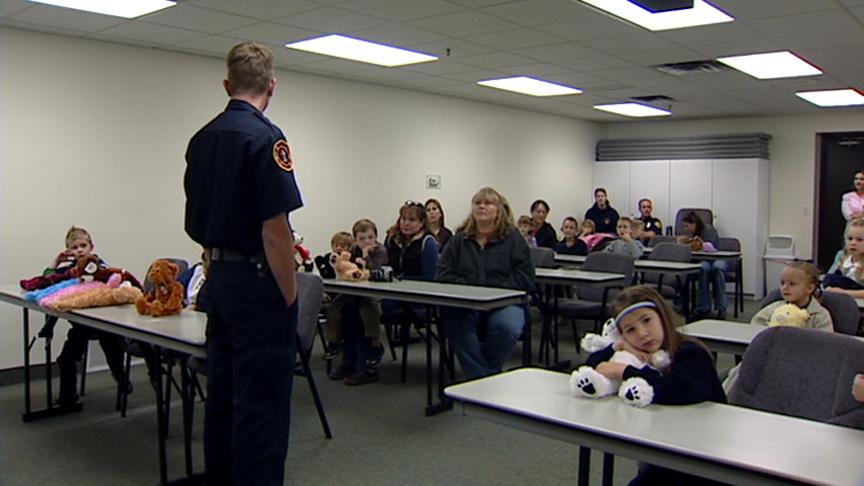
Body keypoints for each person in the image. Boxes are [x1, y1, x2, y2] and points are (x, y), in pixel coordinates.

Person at [184, 41, 302, 486]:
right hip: (256, 283)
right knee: (262, 403)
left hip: (219, 279)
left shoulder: (202, 138)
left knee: (223, 393)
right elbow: (275, 231)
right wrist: (289, 298)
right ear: (272, 85)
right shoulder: (267, 138)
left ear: (227, 85)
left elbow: (201, 221)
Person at [583, 286, 726, 486]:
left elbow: (675, 389)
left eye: (647, 320)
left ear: (662, 316)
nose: (642, 334)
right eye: (630, 330)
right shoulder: (638, 353)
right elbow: (591, 367)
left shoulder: (691, 352)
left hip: (705, 456)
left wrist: (625, 371)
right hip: (669, 449)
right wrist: (617, 346)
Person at [438, 187, 535, 379]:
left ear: (499, 210)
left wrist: (495, 289)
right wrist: (470, 287)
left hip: (505, 303)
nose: (481, 206)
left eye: (488, 203)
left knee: (507, 327)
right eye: (477, 203)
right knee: (456, 325)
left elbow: (525, 277)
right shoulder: (459, 240)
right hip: (466, 303)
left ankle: (479, 377)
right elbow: (443, 274)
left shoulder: (513, 239)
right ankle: (485, 378)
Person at [55, 226, 130, 407]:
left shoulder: (98, 266)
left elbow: (112, 281)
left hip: (102, 321)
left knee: (111, 348)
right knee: (65, 359)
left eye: (83, 246)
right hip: (81, 324)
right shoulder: (68, 269)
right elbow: (48, 281)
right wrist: (55, 263)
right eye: (74, 247)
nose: (79, 250)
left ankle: (122, 380)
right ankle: (68, 397)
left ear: (91, 247)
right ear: (68, 251)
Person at [327, 218, 389, 385]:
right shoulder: (353, 250)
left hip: (373, 296)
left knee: (362, 318)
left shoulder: (380, 250)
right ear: (355, 240)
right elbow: (346, 268)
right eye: (361, 238)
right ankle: (347, 360)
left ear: (376, 237)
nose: (366, 241)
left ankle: (365, 366)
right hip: (353, 295)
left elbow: (376, 272)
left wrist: (366, 257)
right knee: (345, 314)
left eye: (370, 237)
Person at [751, 262, 833, 331]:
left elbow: (826, 340)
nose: (784, 287)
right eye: (782, 283)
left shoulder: (820, 315)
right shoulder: (775, 307)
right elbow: (755, 324)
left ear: (809, 288)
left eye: (792, 284)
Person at [682, 212, 728, 320]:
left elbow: (709, 247)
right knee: (703, 268)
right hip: (704, 260)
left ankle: (721, 308)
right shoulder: (693, 234)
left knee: (718, 268)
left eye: (687, 226)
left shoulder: (708, 230)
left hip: (717, 258)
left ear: (694, 223)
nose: (686, 229)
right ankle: (703, 308)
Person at [824, 217, 864, 297]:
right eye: (850, 239)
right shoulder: (842, 258)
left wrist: (843, 292)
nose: (853, 243)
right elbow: (829, 279)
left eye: (859, 240)